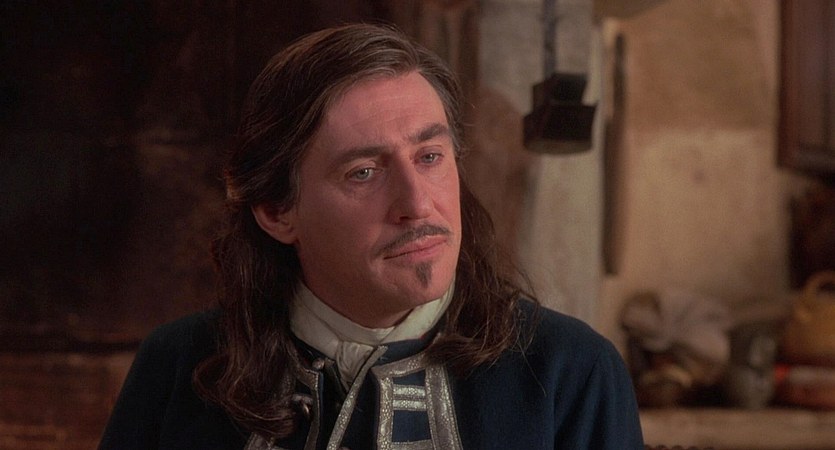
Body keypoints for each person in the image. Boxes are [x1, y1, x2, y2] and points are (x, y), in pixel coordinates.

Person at [99, 23, 644, 449]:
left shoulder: (571, 371)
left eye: (430, 157)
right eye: (363, 172)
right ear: (276, 211)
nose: (417, 204)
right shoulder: (179, 366)